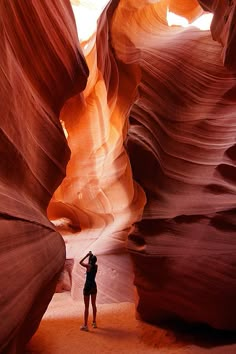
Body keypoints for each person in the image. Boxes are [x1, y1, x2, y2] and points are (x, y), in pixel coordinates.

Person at [79, 251, 98, 331]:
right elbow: (92, 263)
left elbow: (80, 262)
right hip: (93, 286)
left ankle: (86, 325)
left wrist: (87, 255)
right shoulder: (96, 266)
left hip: (87, 286)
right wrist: (91, 257)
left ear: (90, 260)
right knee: (93, 304)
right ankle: (94, 322)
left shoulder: (88, 266)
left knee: (86, 307)